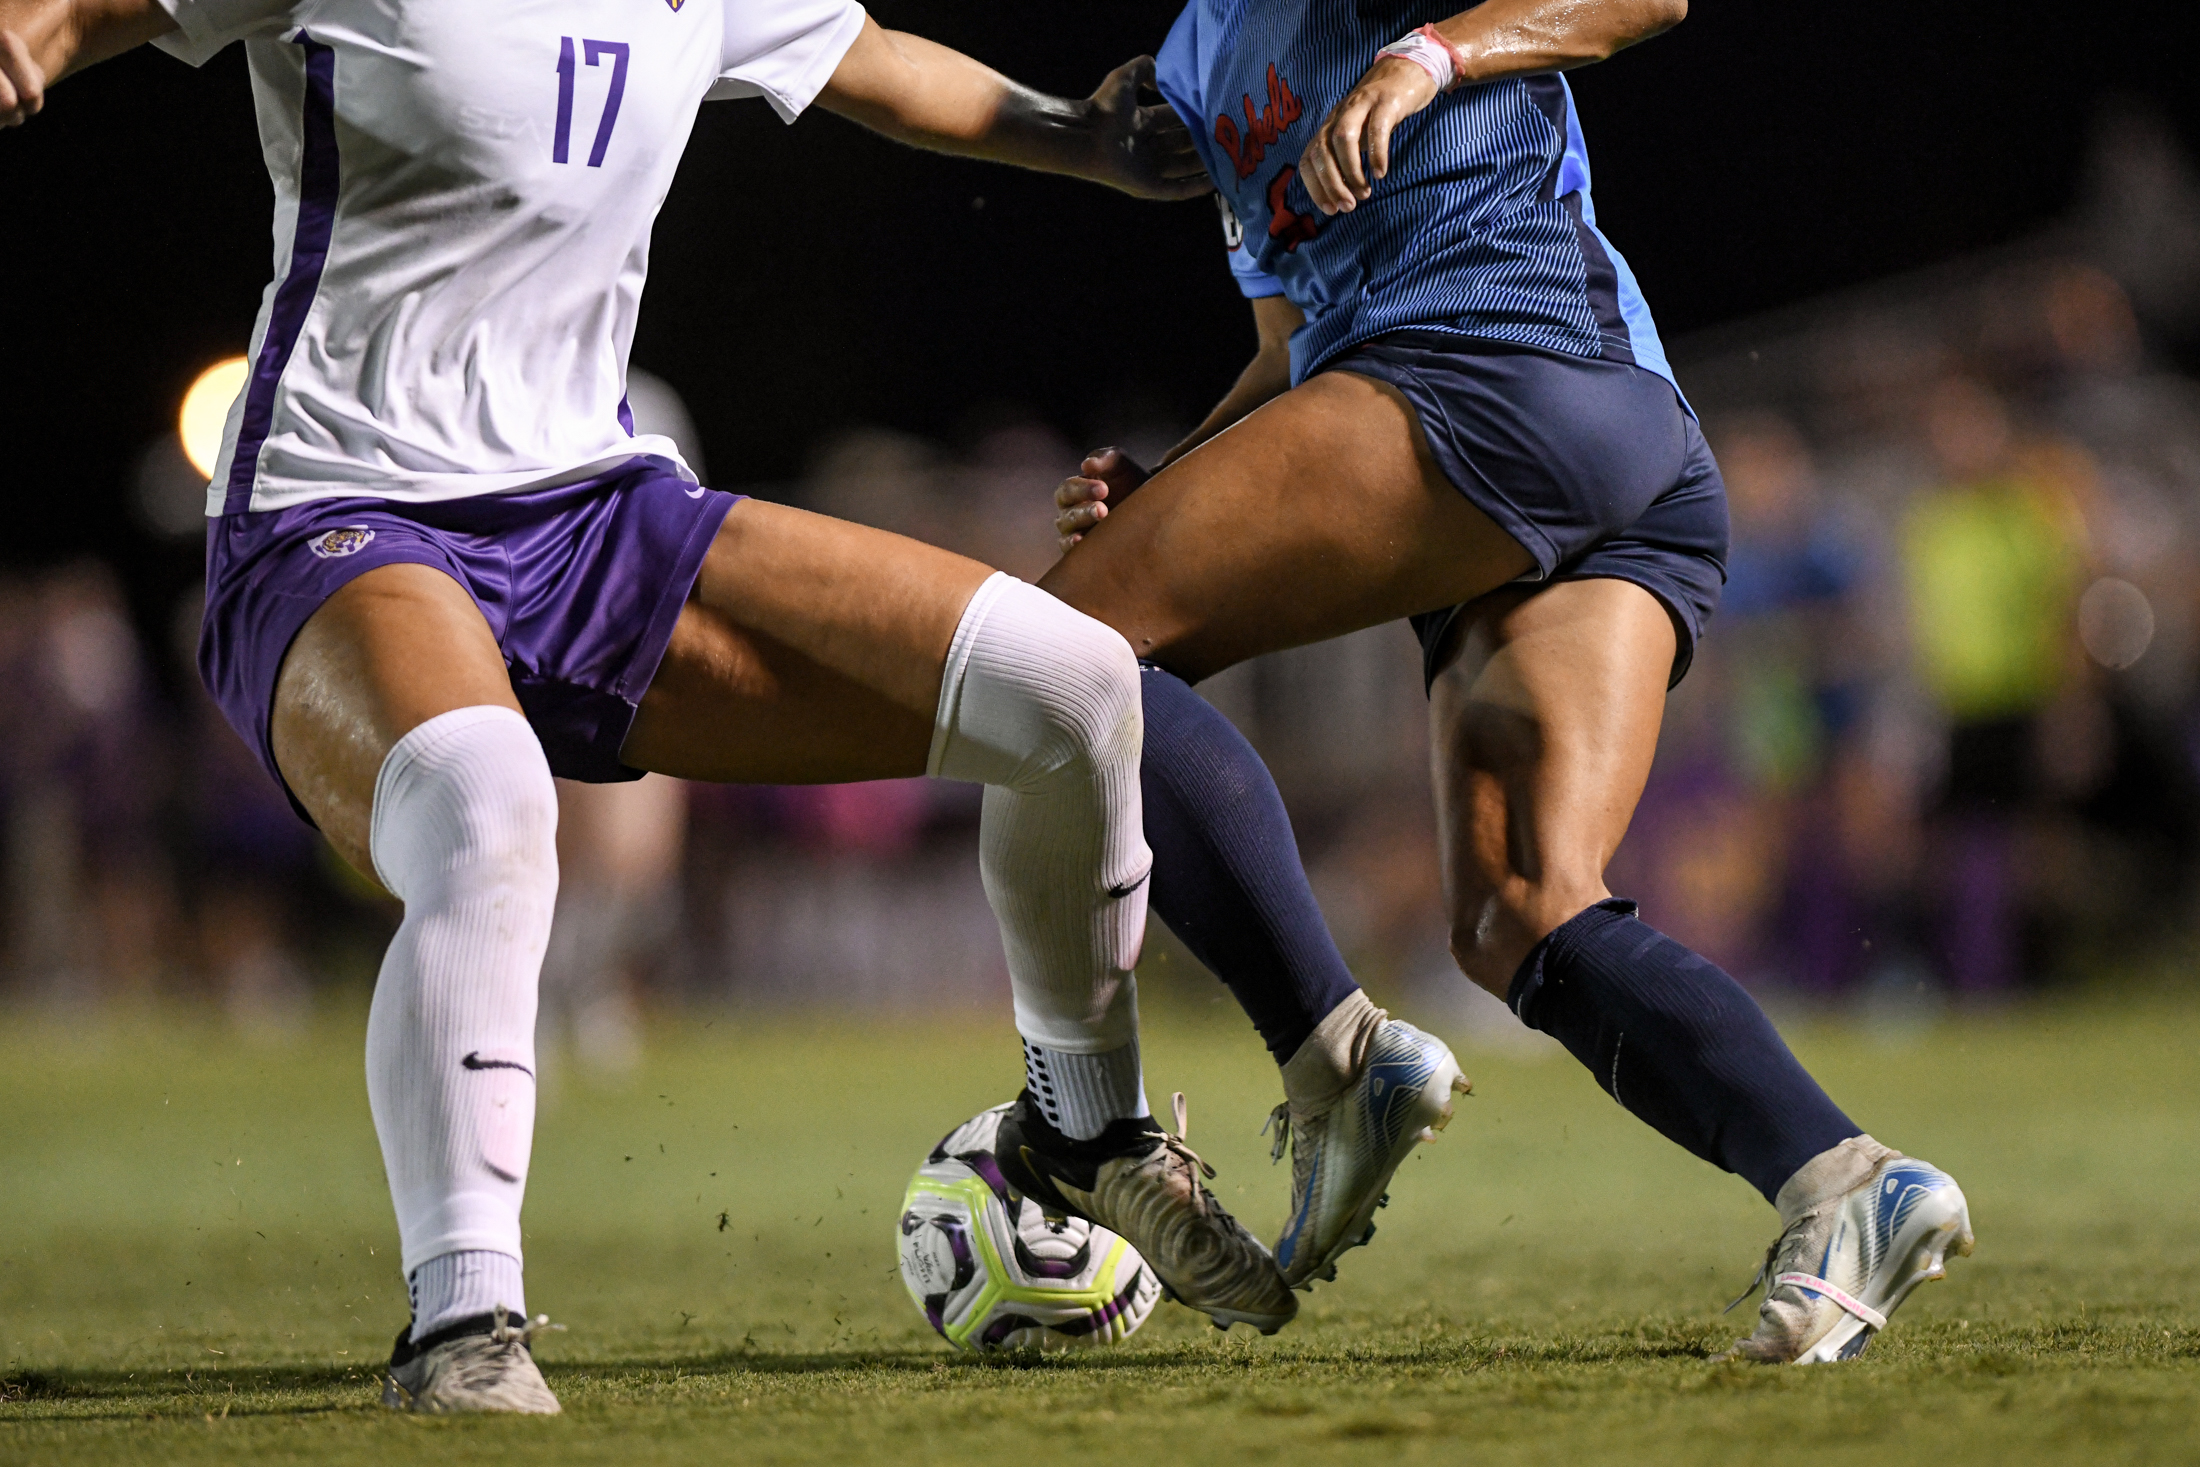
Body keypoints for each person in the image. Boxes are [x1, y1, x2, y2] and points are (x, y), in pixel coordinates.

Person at [0, 0, 1299, 1413]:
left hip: (597, 511)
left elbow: (869, 62)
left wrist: (1087, 141)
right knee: (486, 801)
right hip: (343, 510)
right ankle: (463, 1319)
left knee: (1071, 679)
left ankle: (1086, 1132)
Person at [1039, 0, 1975, 1361]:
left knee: (1050, 660)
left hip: (1485, 371)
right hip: (1605, 450)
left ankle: (1328, 1065)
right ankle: (1843, 1180)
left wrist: (1431, 54)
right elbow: (1287, 345)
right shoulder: (1195, 56)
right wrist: (1173, 482)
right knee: (1523, 913)